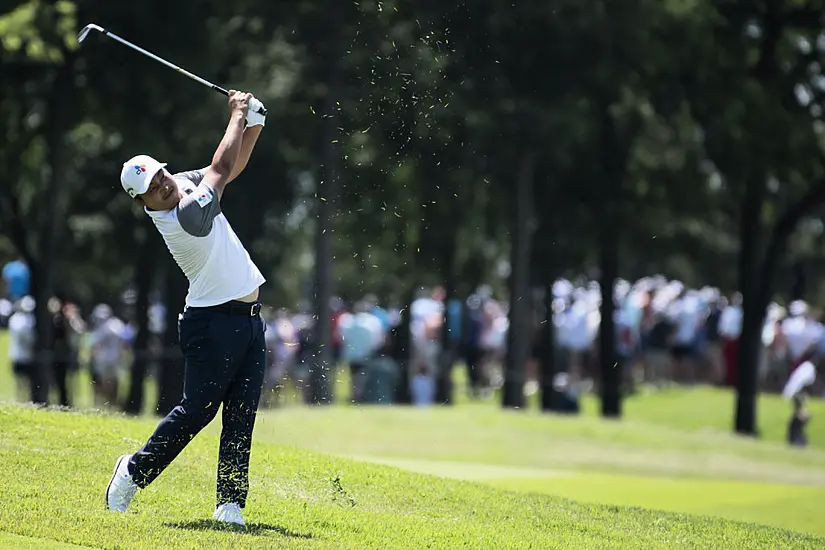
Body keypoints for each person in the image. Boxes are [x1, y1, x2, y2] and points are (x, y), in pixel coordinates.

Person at [105, 91, 267, 528]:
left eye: (159, 174)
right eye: (152, 189)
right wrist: (236, 114)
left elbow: (228, 169)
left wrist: (254, 124)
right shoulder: (185, 218)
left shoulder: (181, 183)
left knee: (240, 415)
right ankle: (133, 472)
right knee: (197, 411)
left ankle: (229, 504)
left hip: (249, 322)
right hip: (211, 324)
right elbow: (218, 167)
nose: (162, 184)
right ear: (144, 206)